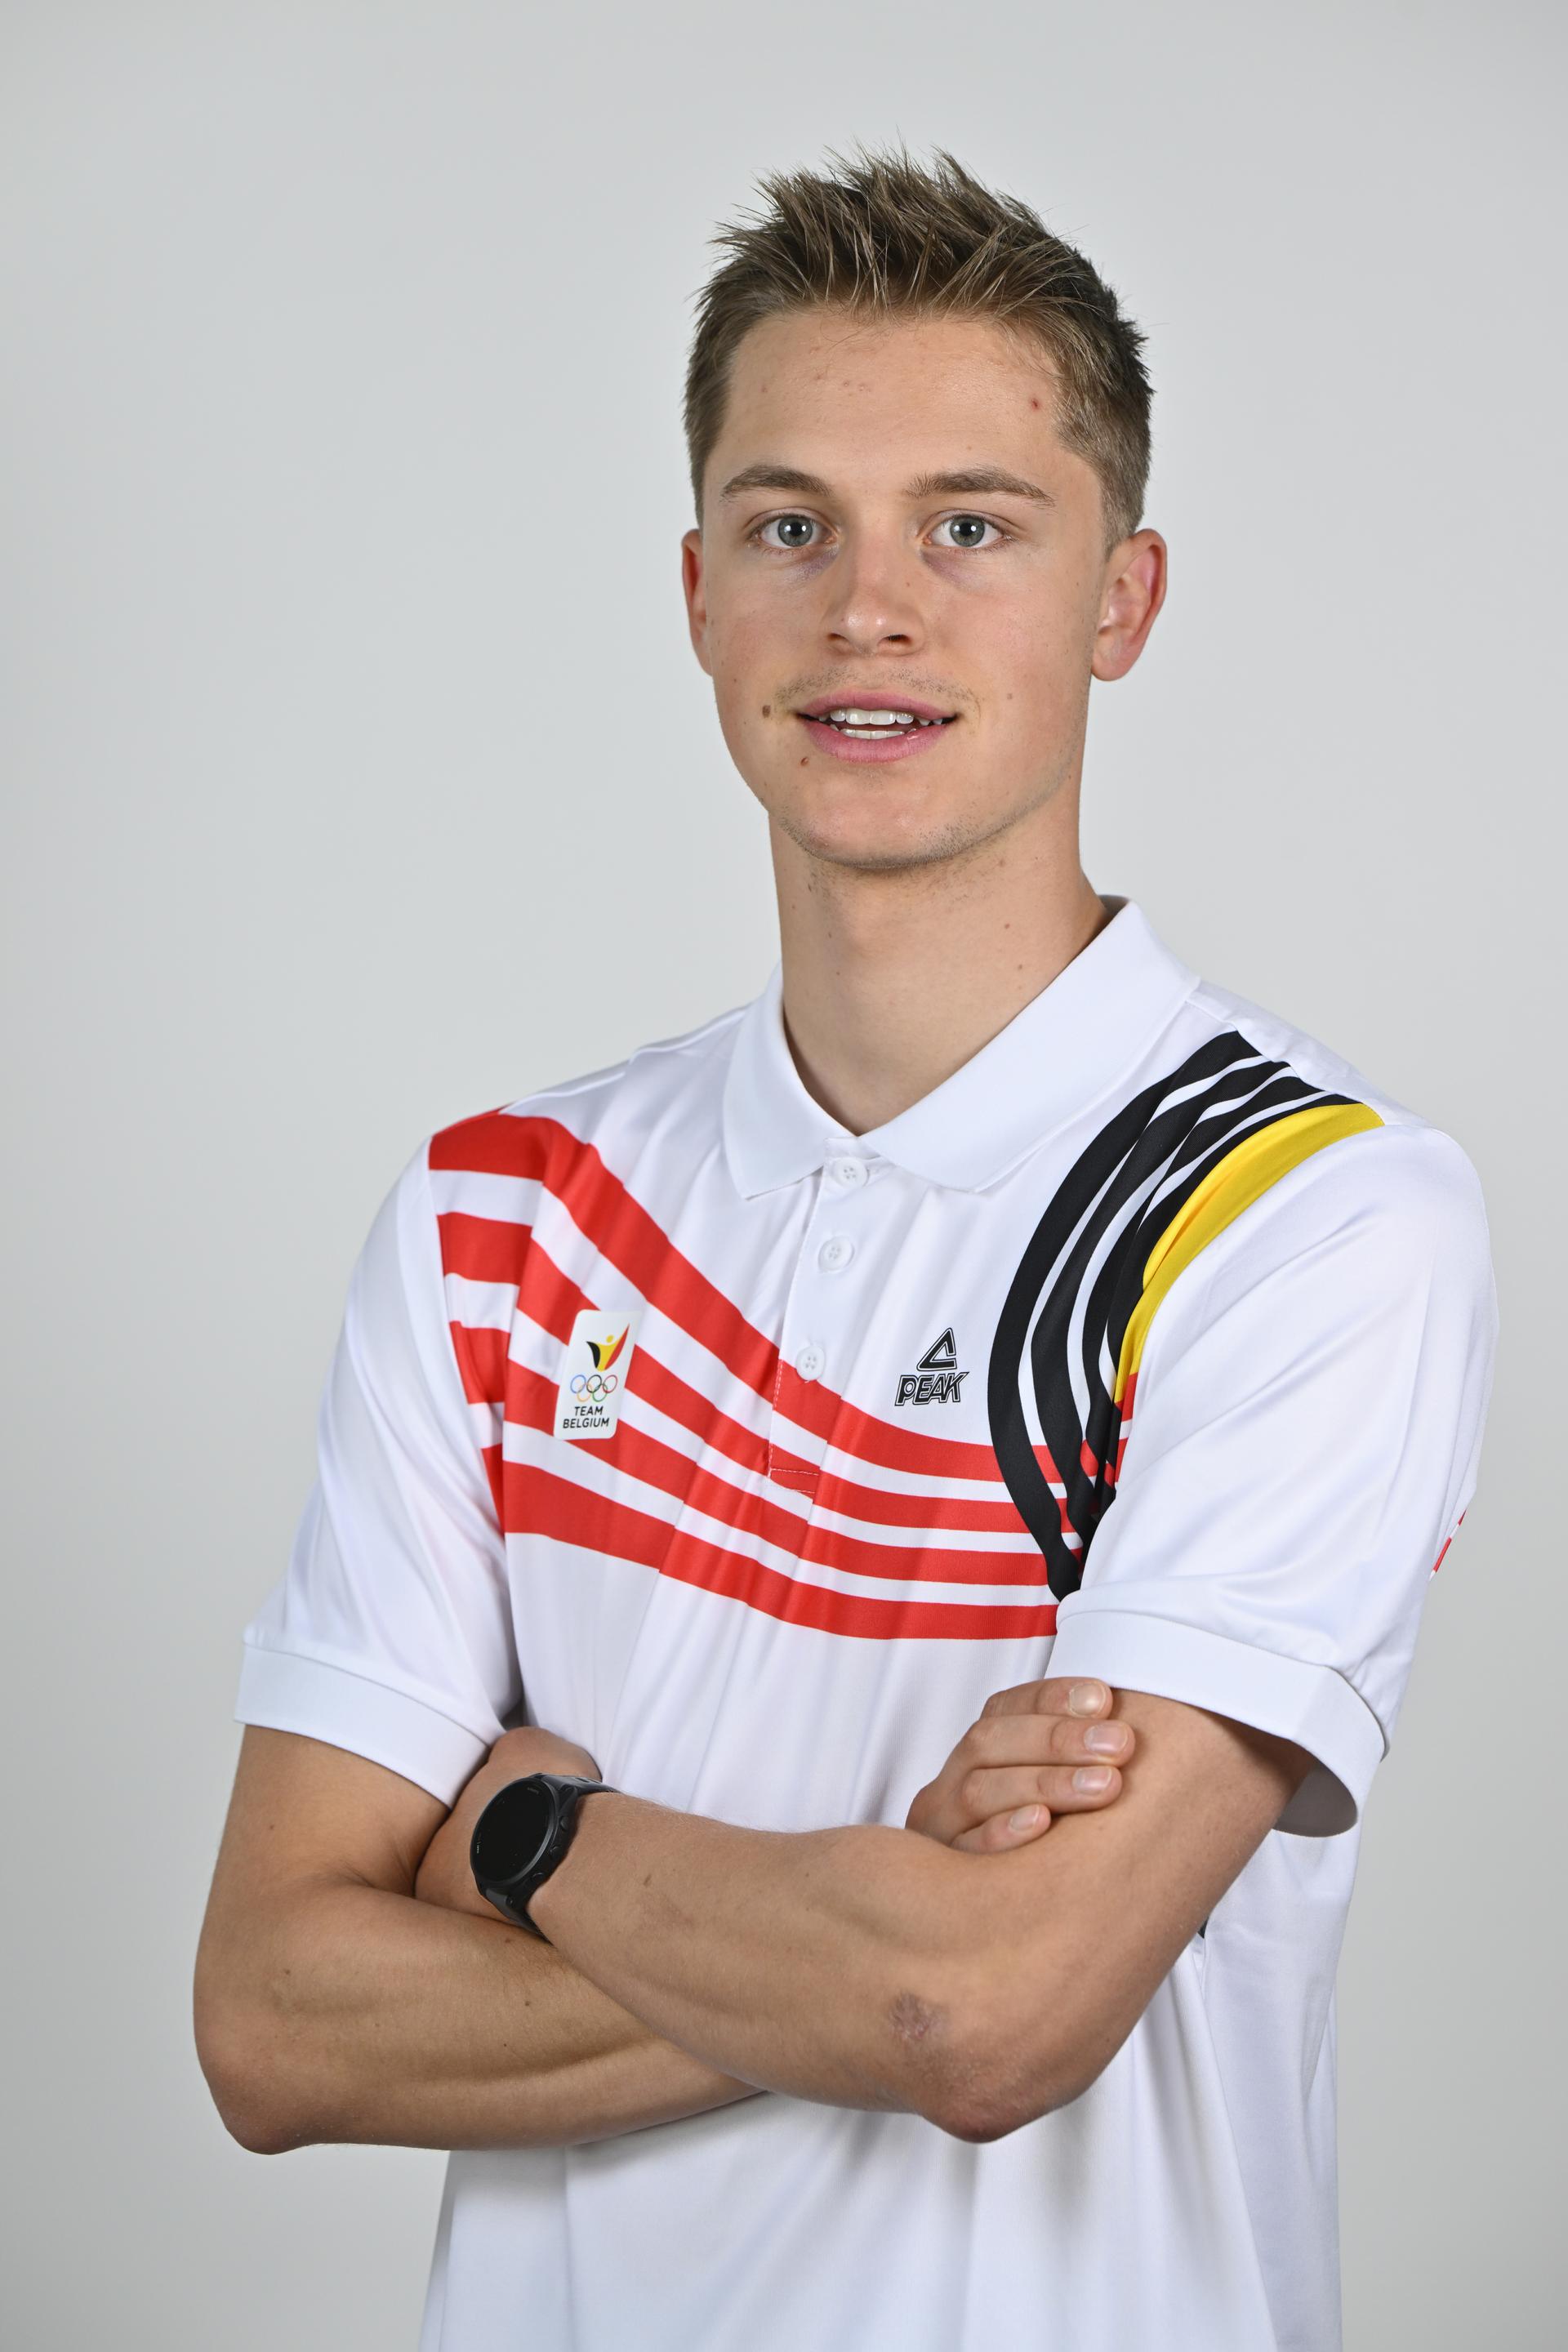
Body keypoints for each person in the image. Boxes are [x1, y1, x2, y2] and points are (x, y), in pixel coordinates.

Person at [194, 145, 1497, 2352]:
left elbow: (988, 2020)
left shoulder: (1305, 1217)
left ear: (1124, 602)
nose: (868, 610)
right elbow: (274, 2022)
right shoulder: (497, 1216)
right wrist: (865, 1927)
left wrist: (518, 1844)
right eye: (791, 525)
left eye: (970, 529)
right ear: (699, 591)